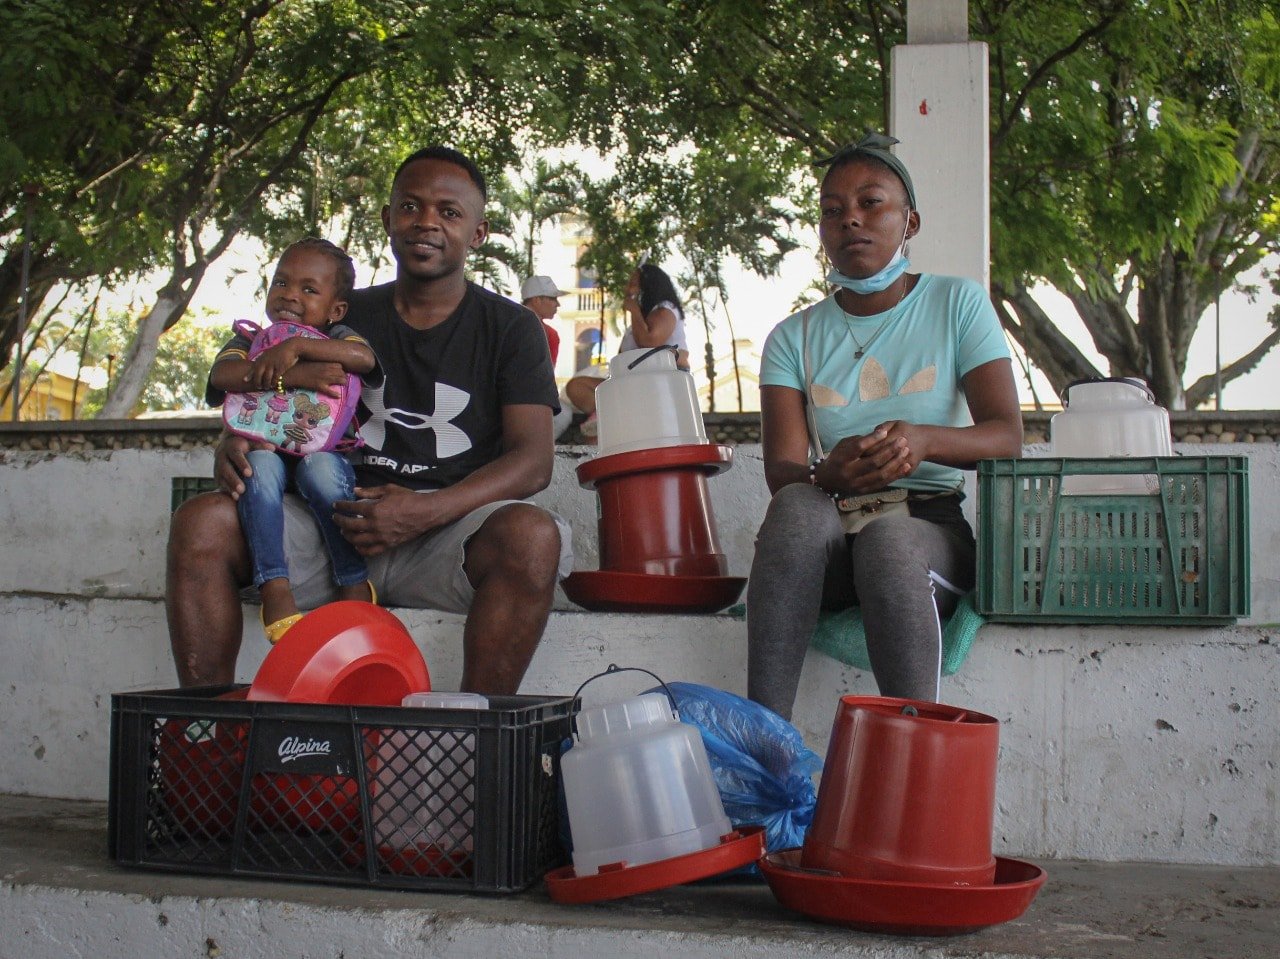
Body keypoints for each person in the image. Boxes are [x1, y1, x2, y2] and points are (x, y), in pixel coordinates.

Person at [167, 145, 573, 695]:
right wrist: (234, 440)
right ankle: (208, 738)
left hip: (443, 536)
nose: (426, 222)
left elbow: (533, 463)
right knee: (201, 522)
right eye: (410, 206)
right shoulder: (337, 312)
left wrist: (424, 512)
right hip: (329, 521)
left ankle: (480, 739)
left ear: (478, 232)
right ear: (388, 219)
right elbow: (265, 381)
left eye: (449, 212)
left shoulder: (511, 328)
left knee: (531, 537)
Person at [746, 132, 1023, 720]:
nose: (851, 220)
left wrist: (923, 441)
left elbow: (1006, 435)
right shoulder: (791, 338)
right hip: (833, 532)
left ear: (910, 222)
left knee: (888, 542)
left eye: (871, 203)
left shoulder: (958, 305)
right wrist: (828, 474)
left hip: (927, 530)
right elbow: (785, 473)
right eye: (832, 210)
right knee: (797, 505)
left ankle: (916, 747)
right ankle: (764, 738)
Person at [206, 238, 377, 644]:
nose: (290, 295)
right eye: (281, 283)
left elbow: (364, 360)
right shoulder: (252, 338)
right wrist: (295, 376)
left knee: (321, 471)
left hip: (322, 451)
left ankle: (353, 577)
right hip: (267, 448)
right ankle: (274, 587)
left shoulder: (339, 335)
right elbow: (222, 377)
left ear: (335, 309)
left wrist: (297, 346)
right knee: (257, 468)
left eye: (308, 289)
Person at [562, 261, 688, 437]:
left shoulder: (665, 309)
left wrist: (634, 310)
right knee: (576, 387)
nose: (628, 290)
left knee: (596, 439)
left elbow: (649, 343)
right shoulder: (642, 318)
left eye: (633, 284)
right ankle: (611, 416)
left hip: (657, 382)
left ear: (648, 286)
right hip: (629, 382)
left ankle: (613, 418)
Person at [520, 274, 566, 365]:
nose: (557, 304)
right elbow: (546, 375)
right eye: (553, 298)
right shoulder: (550, 334)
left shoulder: (506, 324)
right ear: (536, 300)